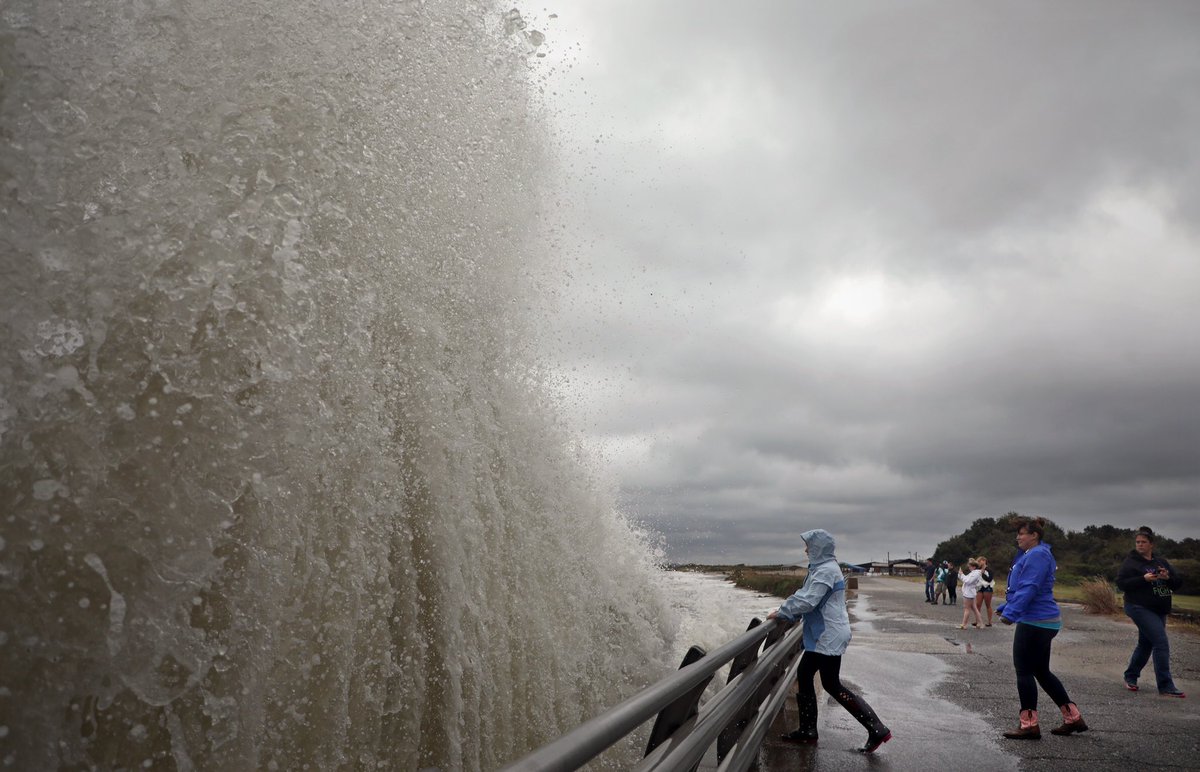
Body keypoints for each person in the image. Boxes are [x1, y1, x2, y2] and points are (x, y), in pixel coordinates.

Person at [768, 529, 892, 753]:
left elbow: (808, 600)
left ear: (818, 548)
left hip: (828, 634)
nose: (805, 550)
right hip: (825, 634)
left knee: (830, 684)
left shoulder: (825, 571)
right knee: (806, 674)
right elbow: (807, 596)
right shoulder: (821, 568)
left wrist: (782, 611)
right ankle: (808, 730)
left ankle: (877, 728)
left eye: (809, 546)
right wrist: (788, 612)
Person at [996, 516, 1087, 740]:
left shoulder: (1037, 554)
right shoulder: (1036, 554)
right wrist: (1006, 605)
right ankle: (1073, 718)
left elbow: (1031, 587)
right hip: (1041, 619)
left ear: (1034, 535)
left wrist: (1011, 614)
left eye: (1022, 533)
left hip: (1035, 622)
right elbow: (1026, 588)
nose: (1018, 537)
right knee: (1041, 671)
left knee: (1024, 671)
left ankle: (1029, 725)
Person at [1115, 526, 1185, 697]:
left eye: (1143, 542)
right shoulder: (1131, 562)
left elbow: (1177, 583)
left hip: (1159, 609)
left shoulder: (1161, 562)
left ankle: (1130, 676)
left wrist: (1167, 578)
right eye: (1137, 542)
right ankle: (1166, 685)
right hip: (1138, 607)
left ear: (1151, 544)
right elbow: (1121, 583)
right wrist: (1143, 579)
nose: (1139, 545)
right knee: (1161, 642)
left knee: (1146, 644)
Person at [958, 559, 983, 629]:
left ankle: (964, 624)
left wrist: (961, 575)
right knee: (974, 608)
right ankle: (980, 623)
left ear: (974, 567)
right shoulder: (974, 573)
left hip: (969, 593)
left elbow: (968, 581)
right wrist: (960, 574)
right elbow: (965, 579)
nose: (969, 568)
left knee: (967, 609)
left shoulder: (975, 573)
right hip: (970, 592)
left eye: (970, 566)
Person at [975, 556, 995, 626]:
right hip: (980, 587)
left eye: (979, 561)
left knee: (988, 605)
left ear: (984, 561)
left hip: (988, 588)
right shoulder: (978, 569)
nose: (978, 563)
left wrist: (983, 574)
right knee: (978, 604)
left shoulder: (989, 569)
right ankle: (977, 621)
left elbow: (989, 579)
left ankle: (989, 622)